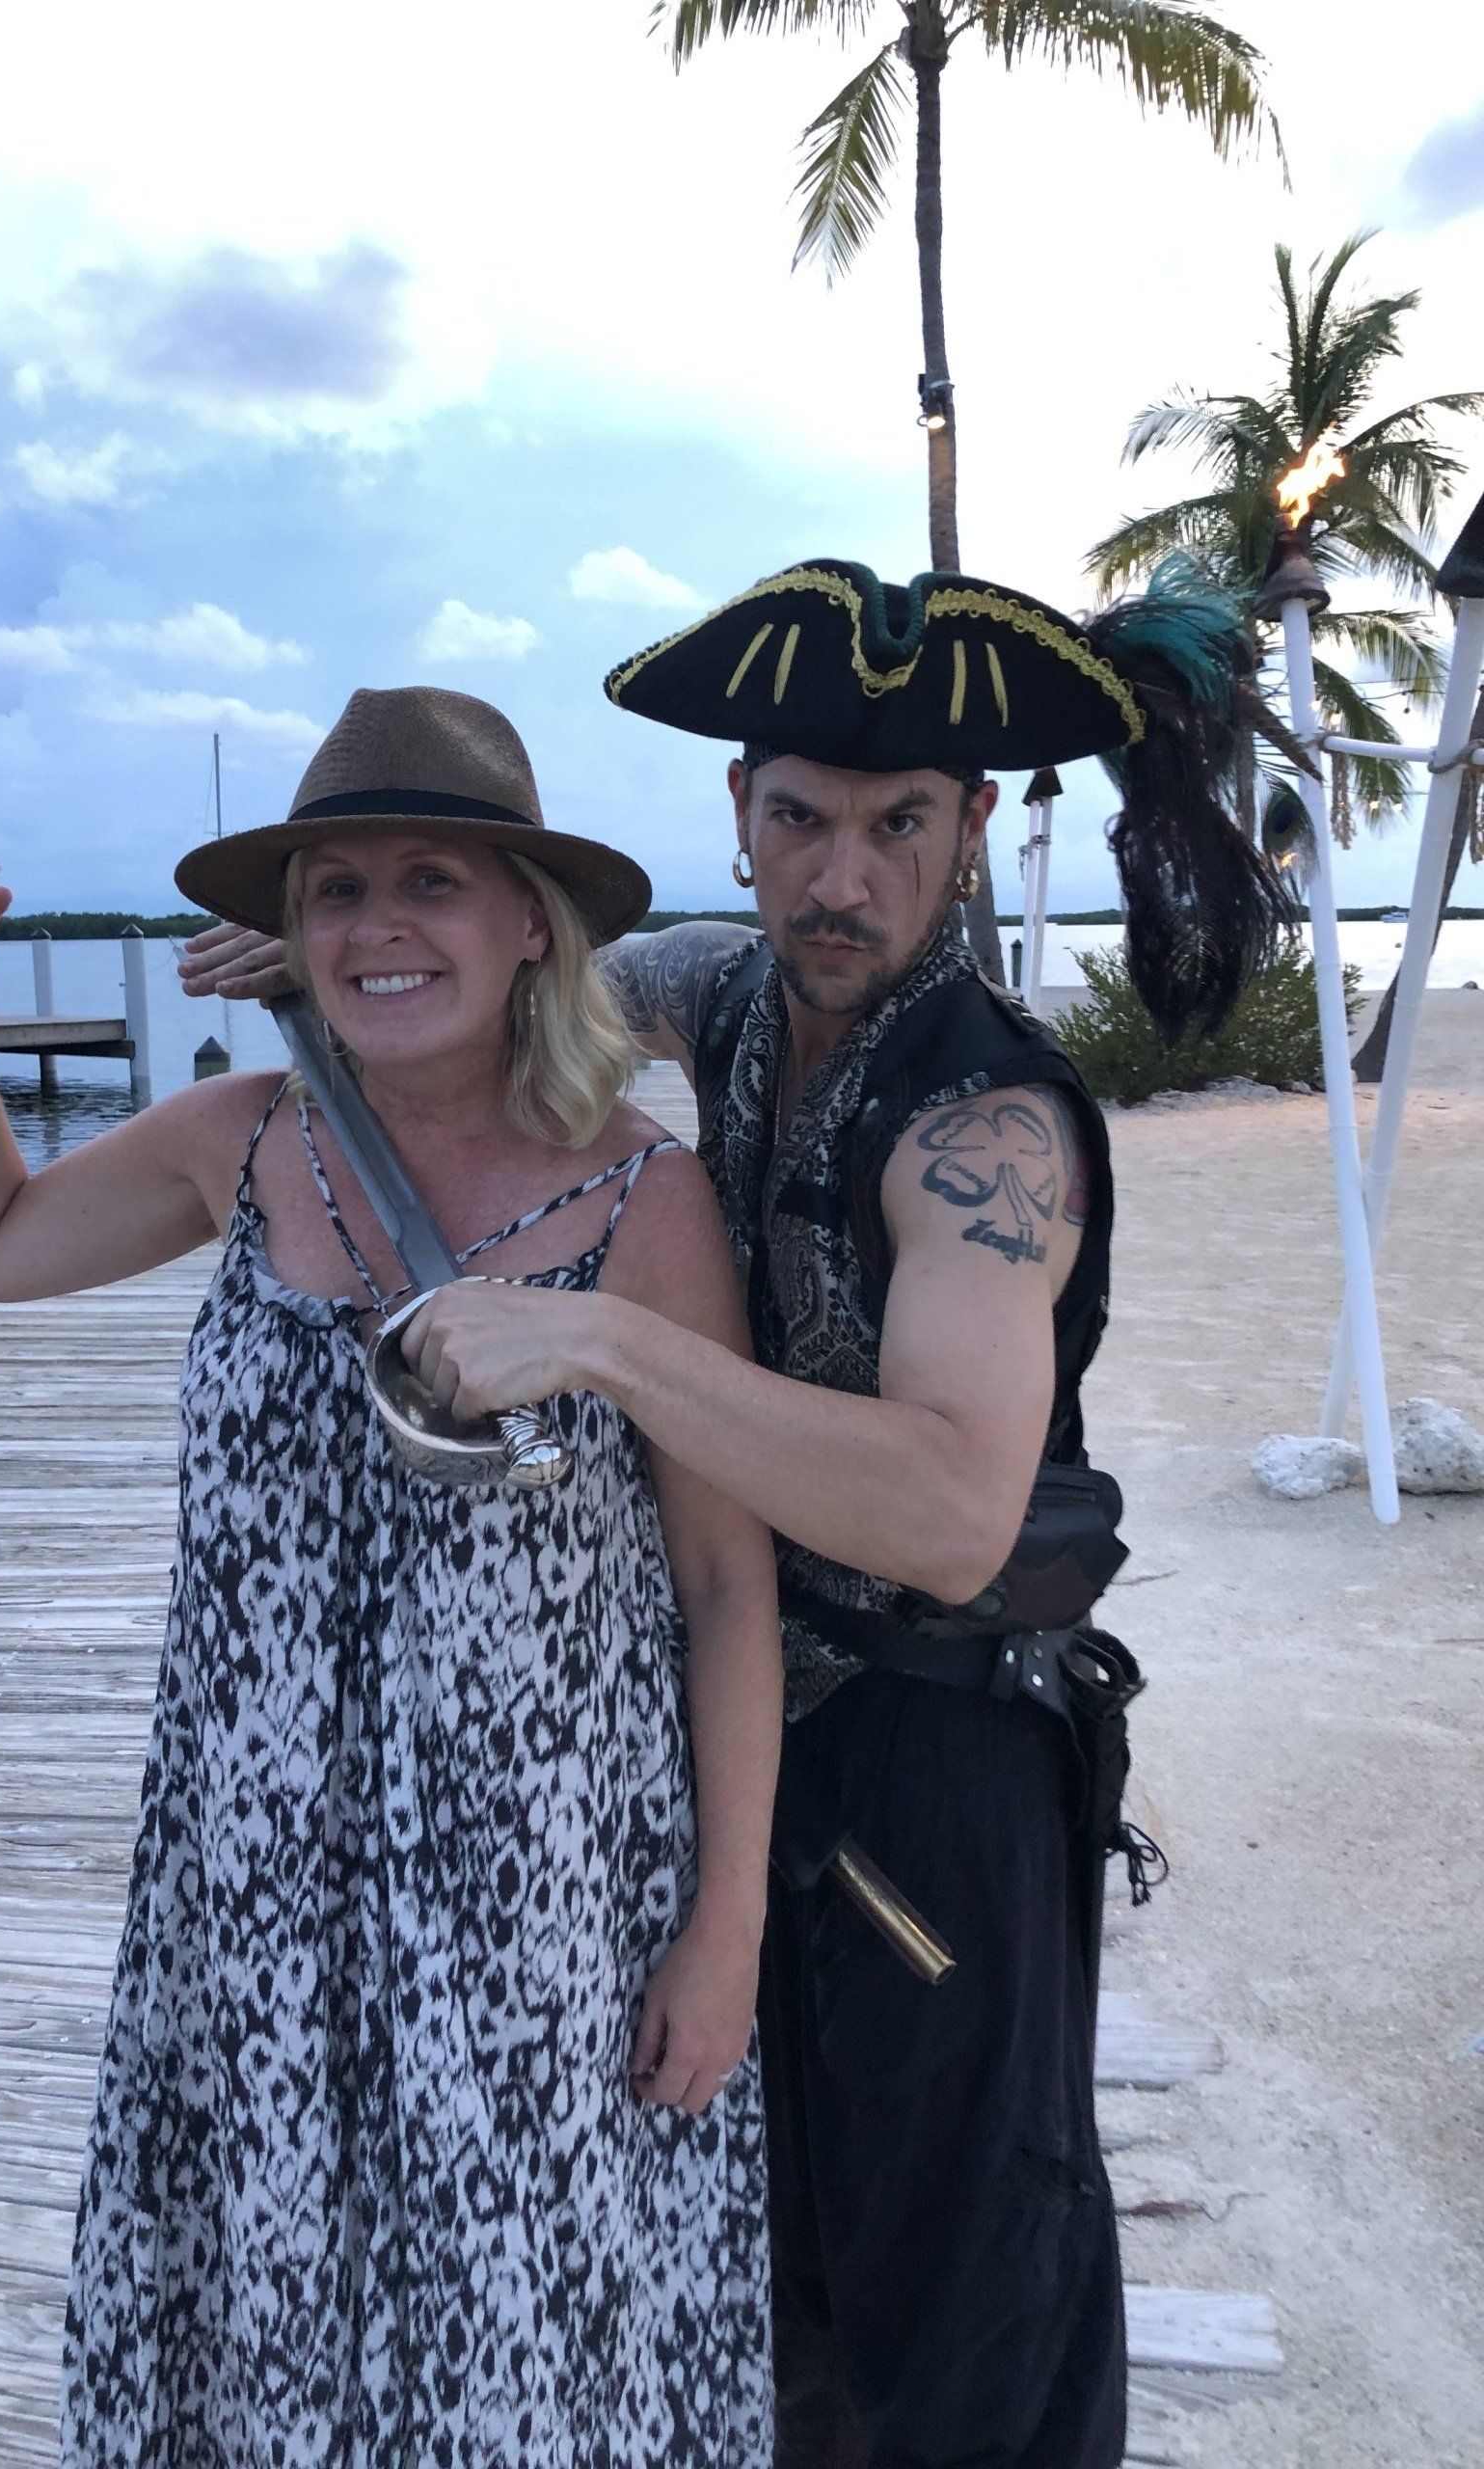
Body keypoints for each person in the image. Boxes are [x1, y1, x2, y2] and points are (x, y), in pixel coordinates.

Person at [180, 557, 1288, 2469]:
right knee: (750, 2280)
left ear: (973, 832)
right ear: (742, 819)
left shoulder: (988, 1128)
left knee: (967, 2301)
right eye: (800, 820)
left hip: (940, 1754)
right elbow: (529, 987)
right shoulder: (732, 986)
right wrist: (354, 959)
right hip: (736, 1727)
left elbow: (952, 1505)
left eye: (895, 828)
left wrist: (601, 1334)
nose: (841, 877)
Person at [0, 683, 781, 2469]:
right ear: (292, 934)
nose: (378, 925)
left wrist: (722, 1936)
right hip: (253, 1870)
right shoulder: (246, 1139)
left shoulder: (643, 1204)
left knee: (519, 2333)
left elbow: (729, 1588)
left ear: (525, 928)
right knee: (266, 2318)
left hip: (536, 1892)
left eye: (432, 880)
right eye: (335, 890)